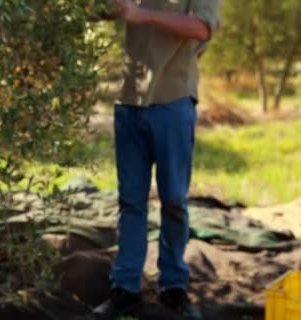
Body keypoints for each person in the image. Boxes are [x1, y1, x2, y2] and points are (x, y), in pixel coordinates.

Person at [92, 0, 220, 319]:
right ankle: (126, 290)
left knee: (174, 200)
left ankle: (174, 287)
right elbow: (97, 9)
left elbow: (204, 27)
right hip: (129, 103)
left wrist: (141, 14)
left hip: (173, 103)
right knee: (131, 202)